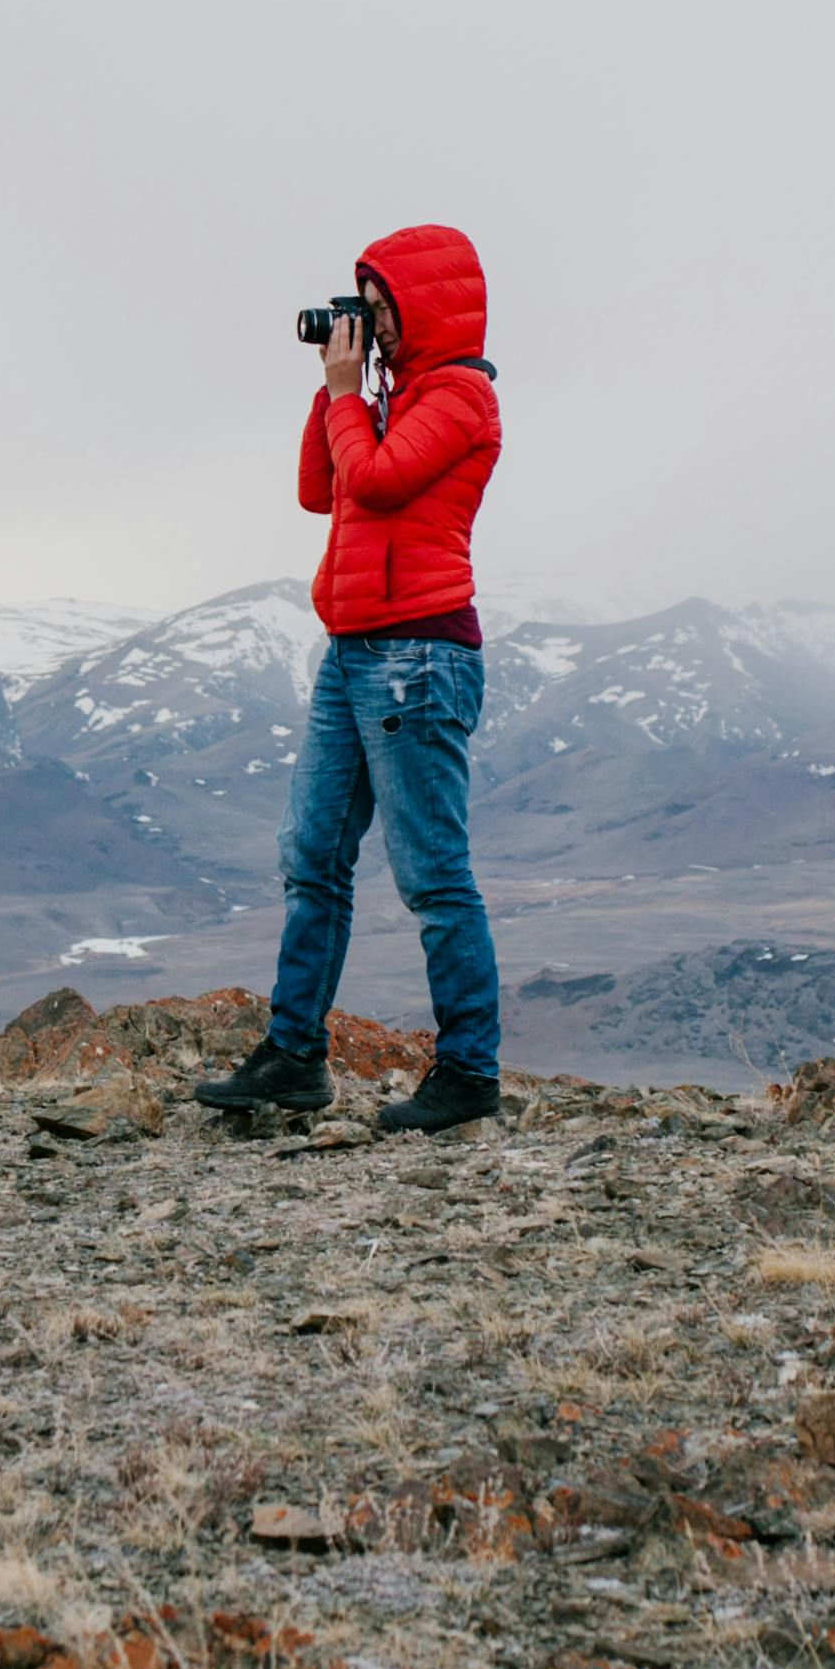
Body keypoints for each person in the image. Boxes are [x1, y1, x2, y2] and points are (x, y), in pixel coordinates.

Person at [197, 223, 506, 1134]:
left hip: (418, 658)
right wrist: (338, 388)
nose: (373, 325)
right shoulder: (391, 396)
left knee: (432, 873)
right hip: (355, 651)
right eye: (363, 312)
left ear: (428, 305)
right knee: (313, 857)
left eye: (381, 309)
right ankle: (293, 1055)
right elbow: (316, 487)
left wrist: (348, 393)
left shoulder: (460, 400)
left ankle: (468, 1070)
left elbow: (371, 485)